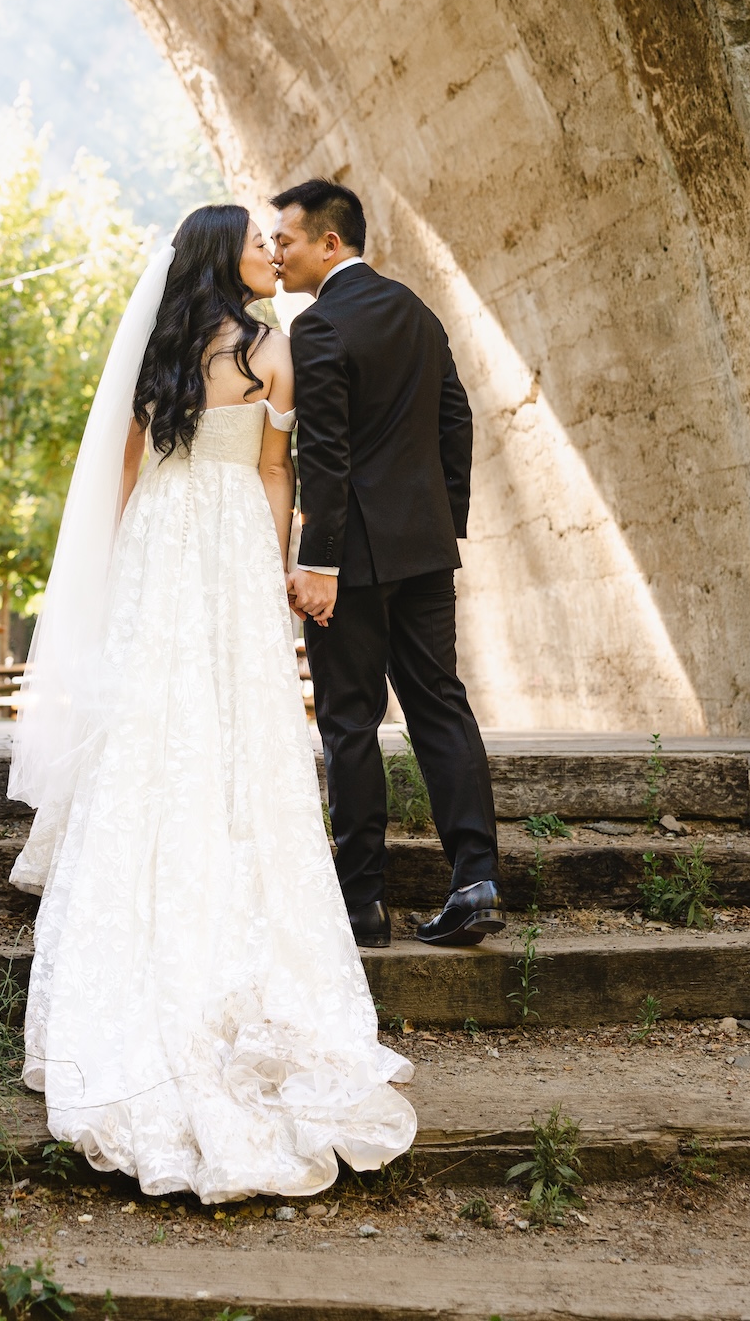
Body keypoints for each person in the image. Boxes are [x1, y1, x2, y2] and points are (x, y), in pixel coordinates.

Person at [8, 204, 415, 1202]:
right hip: (230, 536)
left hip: (158, 537)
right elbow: (279, 470)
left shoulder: (160, 350)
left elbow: (128, 467)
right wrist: (273, 565)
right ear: (222, 259)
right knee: (235, 721)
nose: (271, 254)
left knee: (149, 714)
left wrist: (107, 567)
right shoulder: (272, 350)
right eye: (257, 243)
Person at [272, 180, 502, 951]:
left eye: (288, 240)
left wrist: (319, 564)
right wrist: (445, 522)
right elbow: (455, 419)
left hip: (353, 564)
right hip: (426, 552)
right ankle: (475, 880)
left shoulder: (319, 326)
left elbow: (324, 456)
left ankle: (363, 904)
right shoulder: (416, 310)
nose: (278, 253)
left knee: (349, 723)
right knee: (440, 704)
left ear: (330, 243)